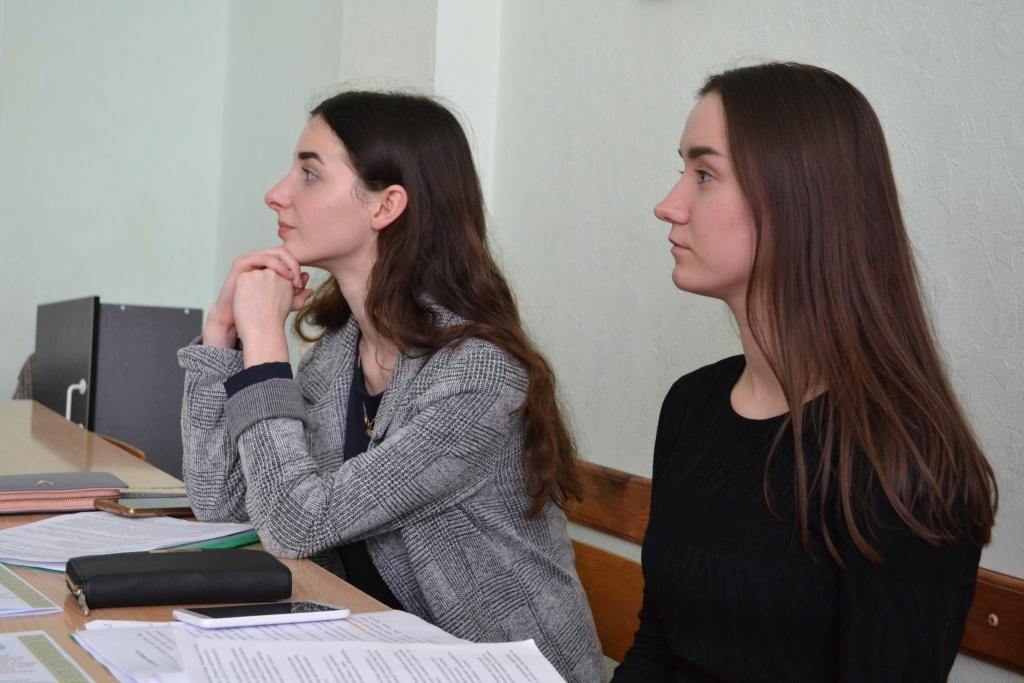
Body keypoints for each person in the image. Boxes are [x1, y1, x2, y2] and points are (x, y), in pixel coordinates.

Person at [178, 91, 603, 683]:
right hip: (383, 655)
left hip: (504, 673)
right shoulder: (338, 358)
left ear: (386, 205)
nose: (276, 194)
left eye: (309, 174)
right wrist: (222, 336)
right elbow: (222, 506)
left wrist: (265, 346)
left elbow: (295, 524)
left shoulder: (478, 378)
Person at [613, 62, 998, 681]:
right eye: (682, 170)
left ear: (798, 199)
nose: (668, 205)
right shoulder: (691, 404)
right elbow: (656, 647)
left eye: (704, 174)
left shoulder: (906, 461)